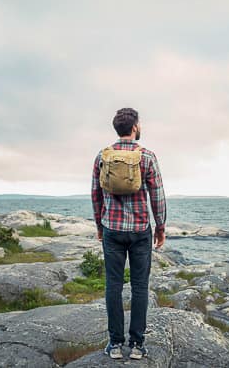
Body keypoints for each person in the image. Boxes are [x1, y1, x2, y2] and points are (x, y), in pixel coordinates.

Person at [91, 107, 166, 360]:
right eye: (140, 124)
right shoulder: (146, 156)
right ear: (134, 128)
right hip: (139, 230)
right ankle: (136, 345)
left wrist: (100, 227)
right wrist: (161, 226)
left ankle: (114, 344)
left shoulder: (103, 156)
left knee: (113, 285)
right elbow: (157, 196)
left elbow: (95, 194)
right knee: (140, 287)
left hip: (112, 230)